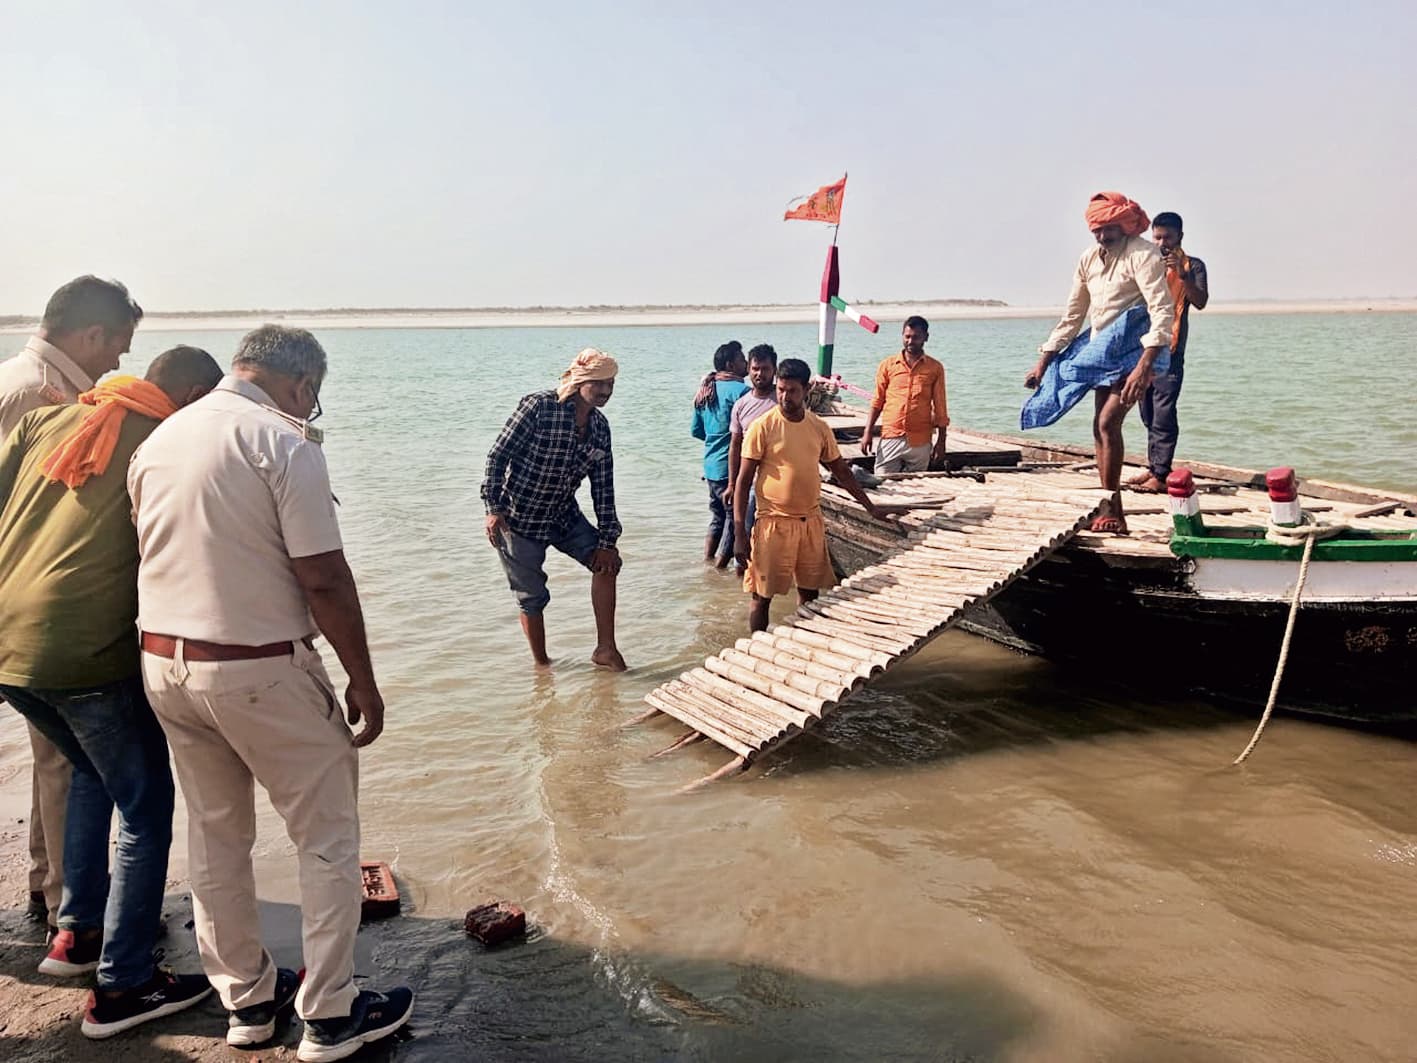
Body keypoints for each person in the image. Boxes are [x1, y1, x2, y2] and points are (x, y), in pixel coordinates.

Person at [129, 326, 413, 1060]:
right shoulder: (282, 440)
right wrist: (364, 678)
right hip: (260, 667)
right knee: (326, 836)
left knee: (217, 836)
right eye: (315, 392)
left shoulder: (160, 440)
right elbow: (322, 576)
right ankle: (329, 1012)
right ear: (302, 384)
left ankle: (248, 1003)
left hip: (166, 665)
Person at [0, 347, 222, 1037]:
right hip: (85, 652)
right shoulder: (167, 439)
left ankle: (77, 933)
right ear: (186, 393)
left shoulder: (49, 419)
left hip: (9, 646)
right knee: (147, 804)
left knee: (95, 776)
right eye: (208, 403)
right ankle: (124, 985)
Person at [0, 275, 143, 936]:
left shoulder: (16, 376)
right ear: (91, 335)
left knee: (54, 752)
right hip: (25, 603)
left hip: (17, 601)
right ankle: (67, 907)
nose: (119, 361)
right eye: (118, 345)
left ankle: (48, 886)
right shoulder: (40, 394)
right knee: (67, 757)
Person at [1026, 192, 1176, 534]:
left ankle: (1112, 510)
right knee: (1099, 426)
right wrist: (1043, 362)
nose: (1102, 236)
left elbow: (1161, 311)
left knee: (1108, 422)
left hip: (1137, 349)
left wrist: (1145, 366)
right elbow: (1074, 316)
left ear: (1124, 225)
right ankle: (1109, 506)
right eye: (1097, 230)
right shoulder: (1088, 260)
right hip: (1103, 350)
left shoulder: (1144, 254)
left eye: (1109, 229)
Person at [482, 347, 627, 671]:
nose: (605, 391)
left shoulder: (600, 429)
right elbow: (497, 456)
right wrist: (494, 508)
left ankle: (606, 649)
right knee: (531, 599)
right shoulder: (540, 408)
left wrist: (608, 541)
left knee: (608, 564)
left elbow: (604, 490)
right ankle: (542, 667)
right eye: (599, 384)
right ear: (580, 382)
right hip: (519, 519)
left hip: (563, 516)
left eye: (611, 385)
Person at [732, 358, 897, 632]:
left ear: (807, 388)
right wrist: (739, 534)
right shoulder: (763, 427)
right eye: (781, 390)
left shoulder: (818, 428)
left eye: (792, 391)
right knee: (761, 598)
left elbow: (843, 473)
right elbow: (743, 481)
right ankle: (756, 647)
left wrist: (872, 508)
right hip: (772, 523)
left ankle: (803, 640)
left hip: (810, 523)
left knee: (810, 594)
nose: (785, 397)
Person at [1126, 211, 1210, 492]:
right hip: (1142, 349)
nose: (1162, 242)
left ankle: (1161, 475)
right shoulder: (1148, 264)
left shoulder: (1193, 266)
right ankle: (1154, 467)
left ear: (1180, 238)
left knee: (1163, 412)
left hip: (1170, 350)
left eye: (1168, 237)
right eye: (1157, 236)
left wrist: (1183, 276)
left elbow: (1200, 302)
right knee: (1147, 411)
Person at [860, 316, 949, 474]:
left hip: (920, 441)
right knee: (883, 481)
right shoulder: (888, 365)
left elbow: (940, 407)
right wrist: (867, 433)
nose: (910, 341)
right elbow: (877, 401)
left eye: (916, 337)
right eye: (907, 337)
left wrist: (941, 442)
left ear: (926, 338)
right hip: (891, 436)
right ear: (902, 335)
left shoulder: (935, 368)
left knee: (917, 485)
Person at [690, 341, 748, 568]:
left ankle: (707, 560)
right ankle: (721, 566)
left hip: (711, 466)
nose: (746, 364)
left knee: (717, 517)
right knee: (734, 519)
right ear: (730, 364)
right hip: (730, 467)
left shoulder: (706, 390)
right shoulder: (742, 392)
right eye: (742, 360)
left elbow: (696, 431)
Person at [723, 343, 779, 567]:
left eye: (765, 369)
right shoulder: (741, 405)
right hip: (750, 482)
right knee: (743, 538)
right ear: (748, 368)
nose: (759, 374)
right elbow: (735, 446)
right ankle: (741, 587)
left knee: (775, 542)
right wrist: (731, 483)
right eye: (755, 368)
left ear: (774, 370)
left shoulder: (782, 400)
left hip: (778, 483)